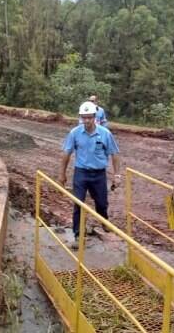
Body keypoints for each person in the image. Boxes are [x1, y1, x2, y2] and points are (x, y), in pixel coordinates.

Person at [59, 101, 121, 249]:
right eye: (84, 117)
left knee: (101, 203)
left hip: (99, 174)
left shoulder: (105, 134)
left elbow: (115, 154)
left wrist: (117, 175)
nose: (86, 121)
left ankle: (104, 221)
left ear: (95, 117)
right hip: (81, 173)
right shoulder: (75, 133)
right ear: (80, 117)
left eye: (89, 117)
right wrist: (62, 174)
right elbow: (66, 154)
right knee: (78, 203)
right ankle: (78, 235)